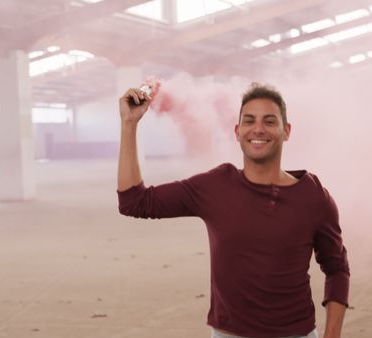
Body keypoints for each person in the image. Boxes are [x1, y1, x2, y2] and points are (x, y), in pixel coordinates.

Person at [117, 82, 350, 338]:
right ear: (238, 131)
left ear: (287, 131)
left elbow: (337, 268)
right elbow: (134, 201)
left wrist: (332, 335)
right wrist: (129, 124)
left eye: (270, 121)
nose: (258, 129)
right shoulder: (216, 186)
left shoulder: (313, 196)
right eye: (249, 121)